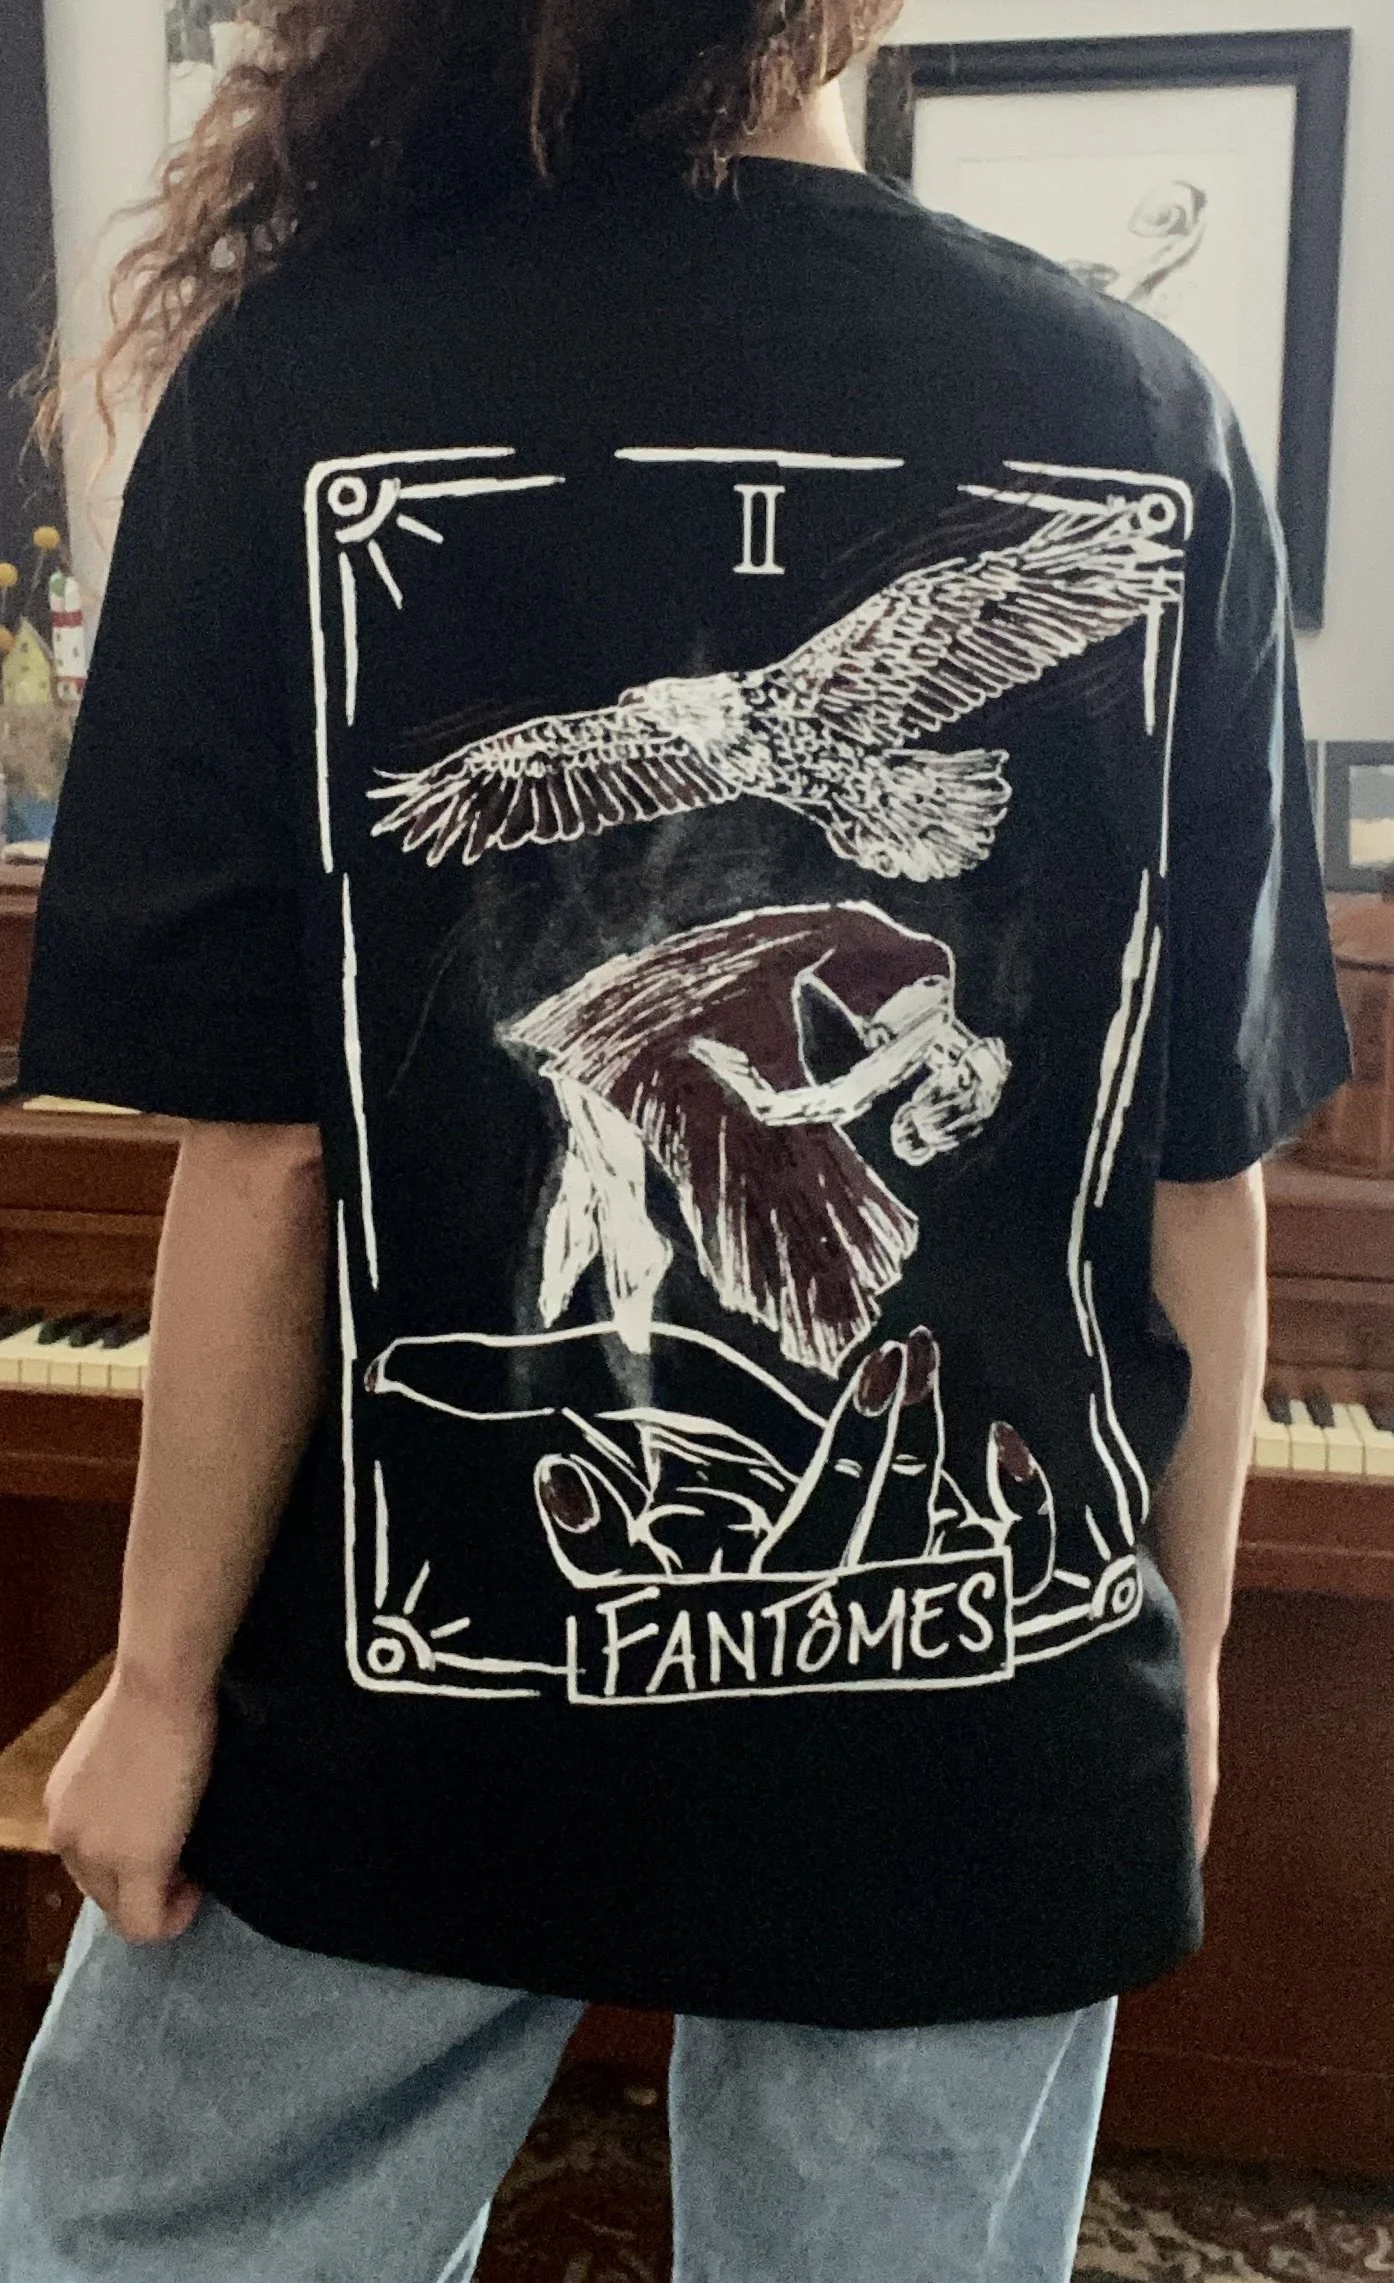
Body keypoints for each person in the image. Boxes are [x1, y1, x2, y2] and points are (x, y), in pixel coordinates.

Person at [0, 0, 1350, 2276]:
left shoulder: (305, 379)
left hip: (425, 1708)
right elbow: (1197, 1178)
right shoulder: (1139, 406)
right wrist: (1180, 1671)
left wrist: (151, 1696)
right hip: (990, 1699)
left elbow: (269, 1164)